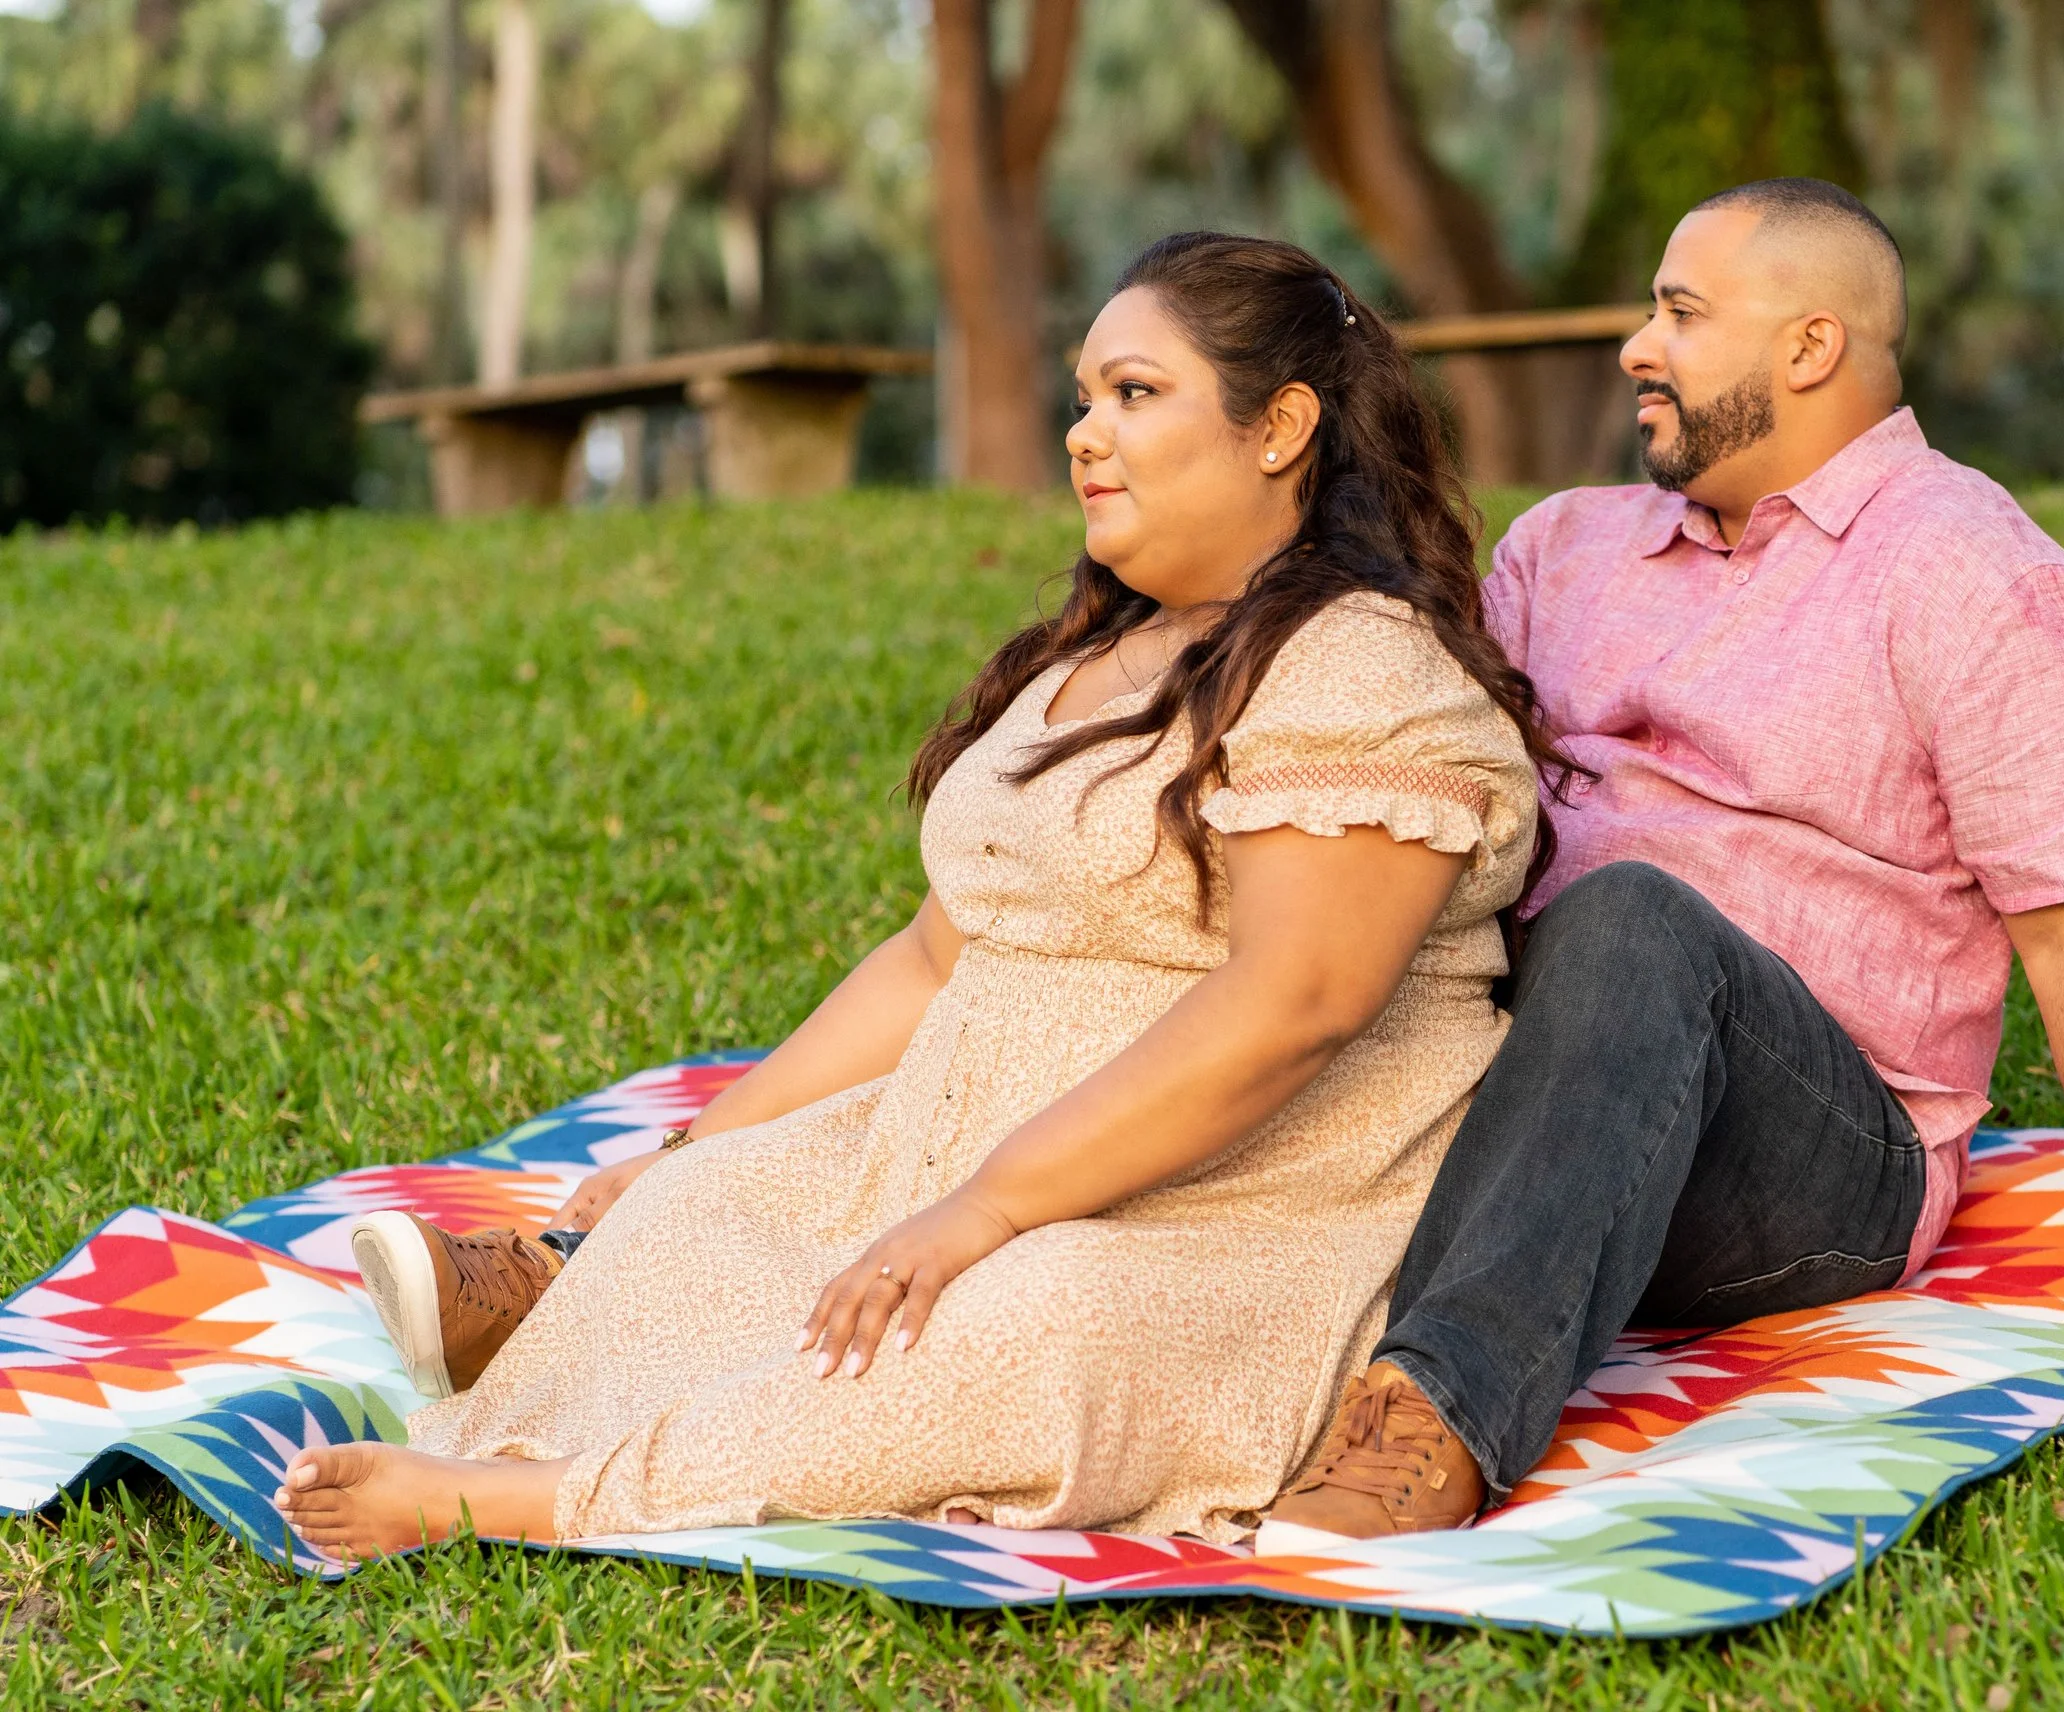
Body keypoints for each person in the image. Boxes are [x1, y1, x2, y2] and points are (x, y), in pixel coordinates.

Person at [272, 232, 1559, 1559]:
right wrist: (694, 1149)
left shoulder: (1362, 672)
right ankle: (564, 1378)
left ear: (1280, 427)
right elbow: (937, 956)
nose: (1083, 435)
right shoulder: (1106, 656)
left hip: (1239, 1216)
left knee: (1024, 1324)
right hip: (950, 1157)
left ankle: (537, 1504)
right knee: (703, 1215)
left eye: (1133, 393)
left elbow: (1300, 1000)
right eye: (1081, 398)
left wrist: (989, 1209)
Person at [1257, 178, 2064, 1549]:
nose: (1637, 345)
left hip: (1814, 1149)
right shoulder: (1562, 548)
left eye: (1681, 313)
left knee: (1636, 921)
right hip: (1526, 1055)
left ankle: (1436, 1413)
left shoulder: (1970, 577)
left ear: (1809, 348)